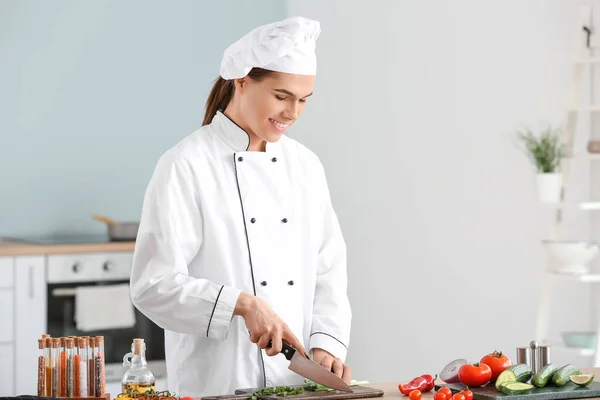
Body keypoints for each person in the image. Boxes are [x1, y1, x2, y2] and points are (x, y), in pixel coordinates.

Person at [129, 16, 352, 397]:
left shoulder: (305, 165)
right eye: (281, 97)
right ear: (242, 81)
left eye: (303, 100)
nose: (292, 112)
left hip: (298, 382)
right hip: (217, 379)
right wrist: (242, 304)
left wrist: (326, 345)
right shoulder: (186, 164)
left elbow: (328, 270)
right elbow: (153, 285)